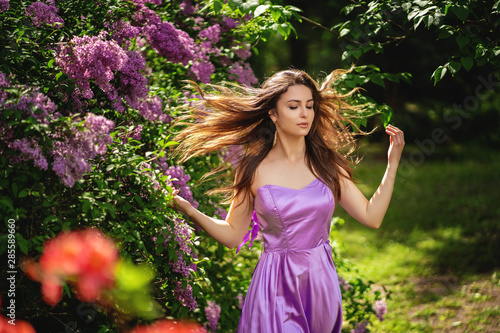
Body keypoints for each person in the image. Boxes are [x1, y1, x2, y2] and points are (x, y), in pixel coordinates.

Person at [169, 68, 405, 333]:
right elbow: (234, 234)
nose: (304, 114)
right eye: (293, 106)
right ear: (273, 113)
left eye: (309, 106)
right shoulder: (254, 169)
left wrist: (392, 163)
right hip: (276, 286)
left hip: (320, 283)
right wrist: (190, 210)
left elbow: (371, 217)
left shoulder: (326, 166)